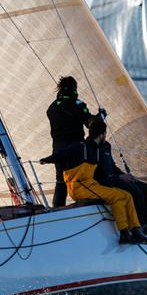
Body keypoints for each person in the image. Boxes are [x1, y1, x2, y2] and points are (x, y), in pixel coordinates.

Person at [40, 120, 147, 245]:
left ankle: (135, 231)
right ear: (102, 134)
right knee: (119, 196)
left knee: (126, 196)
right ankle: (124, 234)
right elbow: (61, 154)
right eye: (105, 134)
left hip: (90, 184)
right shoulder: (80, 147)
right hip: (79, 187)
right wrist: (46, 160)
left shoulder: (97, 148)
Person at [91, 119, 147, 235]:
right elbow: (97, 173)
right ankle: (143, 223)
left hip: (115, 177)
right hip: (105, 181)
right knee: (135, 191)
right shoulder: (89, 148)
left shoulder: (106, 146)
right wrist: (119, 178)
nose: (105, 135)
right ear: (101, 134)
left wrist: (124, 175)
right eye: (105, 133)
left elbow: (112, 166)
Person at [46, 76, 98, 207]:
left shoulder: (52, 107)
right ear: (74, 88)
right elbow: (90, 123)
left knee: (61, 181)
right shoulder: (78, 104)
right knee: (81, 178)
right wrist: (101, 116)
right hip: (76, 148)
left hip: (58, 148)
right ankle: (86, 206)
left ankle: (57, 210)